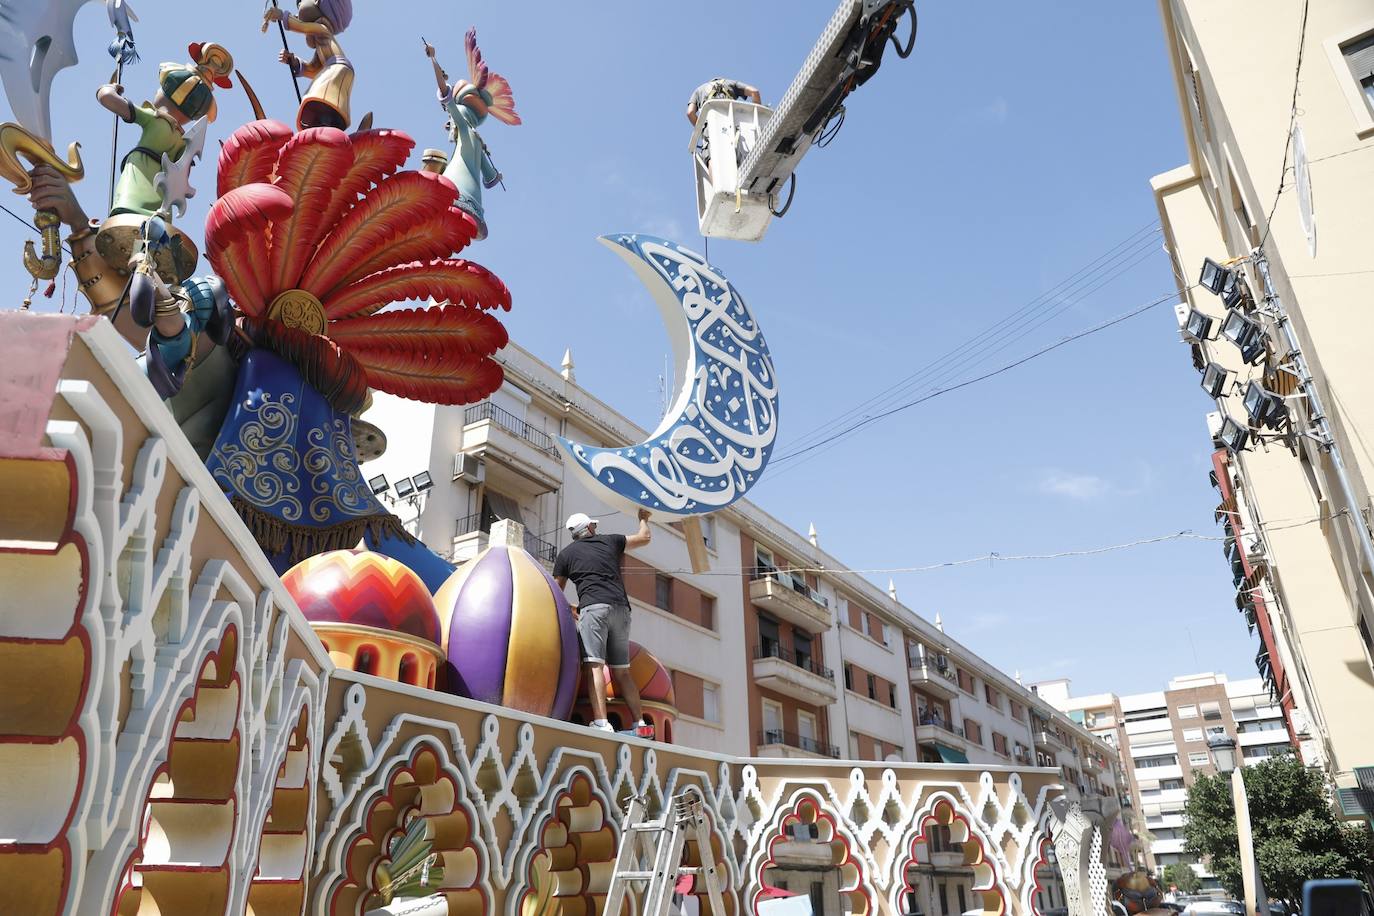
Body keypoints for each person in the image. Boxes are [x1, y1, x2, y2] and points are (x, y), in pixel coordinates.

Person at [554, 509, 653, 736]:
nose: (596, 529)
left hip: (594, 609)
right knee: (623, 672)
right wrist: (643, 519)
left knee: (595, 666)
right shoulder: (611, 542)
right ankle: (640, 723)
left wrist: (572, 608)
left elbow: (555, 590)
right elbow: (644, 538)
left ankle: (601, 722)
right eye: (594, 526)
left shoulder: (566, 555)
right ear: (589, 528)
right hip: (621, 609)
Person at [264, 0, 354, 130]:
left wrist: (282, 15)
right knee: (323, 98)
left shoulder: (322, 29)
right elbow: (313, 70)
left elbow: (303, 26)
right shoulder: (321, 47)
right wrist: (294, 62)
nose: (300, 8)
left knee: (314, 96)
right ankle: (326, 123)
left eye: (301, 3)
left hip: (338, 68)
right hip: (338, 70)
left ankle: (322, 121)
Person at [685, 77, 762, 126]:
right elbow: (754, 92)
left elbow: (690, 112)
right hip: (733, 124)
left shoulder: (699, 90)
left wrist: (701, 129)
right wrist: (756, 120)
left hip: (712, 128)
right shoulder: (731, 83)